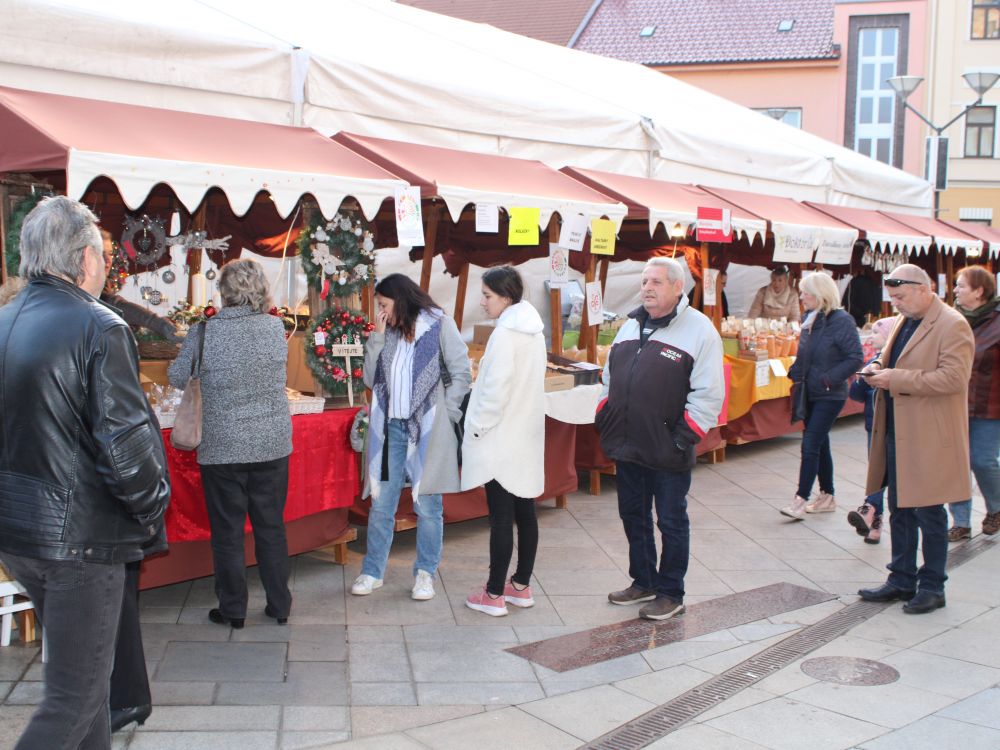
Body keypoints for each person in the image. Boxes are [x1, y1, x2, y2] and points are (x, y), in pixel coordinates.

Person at [0, 196, 170, 749]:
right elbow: (125, 446)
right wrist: (150, 509)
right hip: (81, 541)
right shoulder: (99, 326)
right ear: (84, 259)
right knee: (73, 699)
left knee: (88, 686)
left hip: (22, 533)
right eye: (101, 252)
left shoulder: (5, 322)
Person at [597, 257, 725, 621]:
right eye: (643, 282)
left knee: (670, 520)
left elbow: (709, 394)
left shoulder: (699, 330)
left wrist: (683, 438)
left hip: (669, 447)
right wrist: (604, 414)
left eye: (656, 282)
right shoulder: (630, 326)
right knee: (632, 515)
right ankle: (644, 580)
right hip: (627, 444)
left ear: (677, 287)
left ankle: (671, 592)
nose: (647, 288)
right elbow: (609, 377)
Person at [168, 258, 293, 629]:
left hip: (222, 447)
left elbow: (177, 377)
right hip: (272, 443)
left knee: (228, 532)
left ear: (223, 291)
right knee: (271, 527)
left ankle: (234, 609)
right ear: (260, 289)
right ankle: (279, 605)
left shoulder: (204, 332)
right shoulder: (276, 329)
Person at [858, 264, 975, 614]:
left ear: (923, 288)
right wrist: (878, 366)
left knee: (929, 511)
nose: (895, 304)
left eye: (900, 297)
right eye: (892, 298)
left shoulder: (952, 324)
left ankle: (933, 585)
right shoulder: (905, 321)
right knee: (900, 508)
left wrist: (896, 378)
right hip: (898, 430)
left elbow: (953, 379)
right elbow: (891, 358)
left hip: (929, 434)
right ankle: (901, 578)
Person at [352, 273, 470, 601]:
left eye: (383, 305)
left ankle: (424, 574)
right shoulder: (386, 331)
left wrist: (448, 415)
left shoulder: (440, 325)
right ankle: (373, 570)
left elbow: (461, 373)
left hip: (428, 428)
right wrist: (376, 336)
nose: (380, 311)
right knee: (381, 502)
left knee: (428, 505)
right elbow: (369, 376)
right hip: (390, 429)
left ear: (400, 300)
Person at [462, 267, 547, 617]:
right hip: (525, 434)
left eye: (487, 296)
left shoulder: (504, 334)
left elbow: (495, 390)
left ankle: (494, 593)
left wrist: (478, 428)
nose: (482, 302)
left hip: (501, 436)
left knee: (501, 517)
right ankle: (520, 586)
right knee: (525, 513)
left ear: (506, 297)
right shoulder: (534, 331)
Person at [781, 273, 863, 519]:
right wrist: (796, 371)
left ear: (820, 294)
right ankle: (827, 495)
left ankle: (800, 499)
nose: (802, 296)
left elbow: (855, 358)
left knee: (810, 444)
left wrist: (828, 379)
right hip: (809, 391)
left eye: (806, 292)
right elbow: (806, 352)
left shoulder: (841, 321)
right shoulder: (810, 318)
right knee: (820, 443)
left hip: (830, 394)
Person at [946, 266, 1000, 541]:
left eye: (961, 285)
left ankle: (996, 508)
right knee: (955, 463)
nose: (955, 290)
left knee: (983, 460)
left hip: (989, 406)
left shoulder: (998, 321)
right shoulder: (952, 320)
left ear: (979, 291)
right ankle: (961, 522)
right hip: (954, 404)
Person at [846, 315, 897, 543]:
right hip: (872, 428)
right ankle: (873, 521)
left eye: (877, 333)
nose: (872, 336)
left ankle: (870, 510)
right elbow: (855, 396)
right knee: (876, 473)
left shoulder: (893, 362)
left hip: (892, 427)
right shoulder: (873, 360)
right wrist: (862, 380)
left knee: (887, 474)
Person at [99, 229, 183, 343]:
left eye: (109, 253)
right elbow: (115, 305)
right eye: (101, 253)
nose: (108, 260)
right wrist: (162, 326)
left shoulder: (103, 284)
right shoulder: (78, 287)